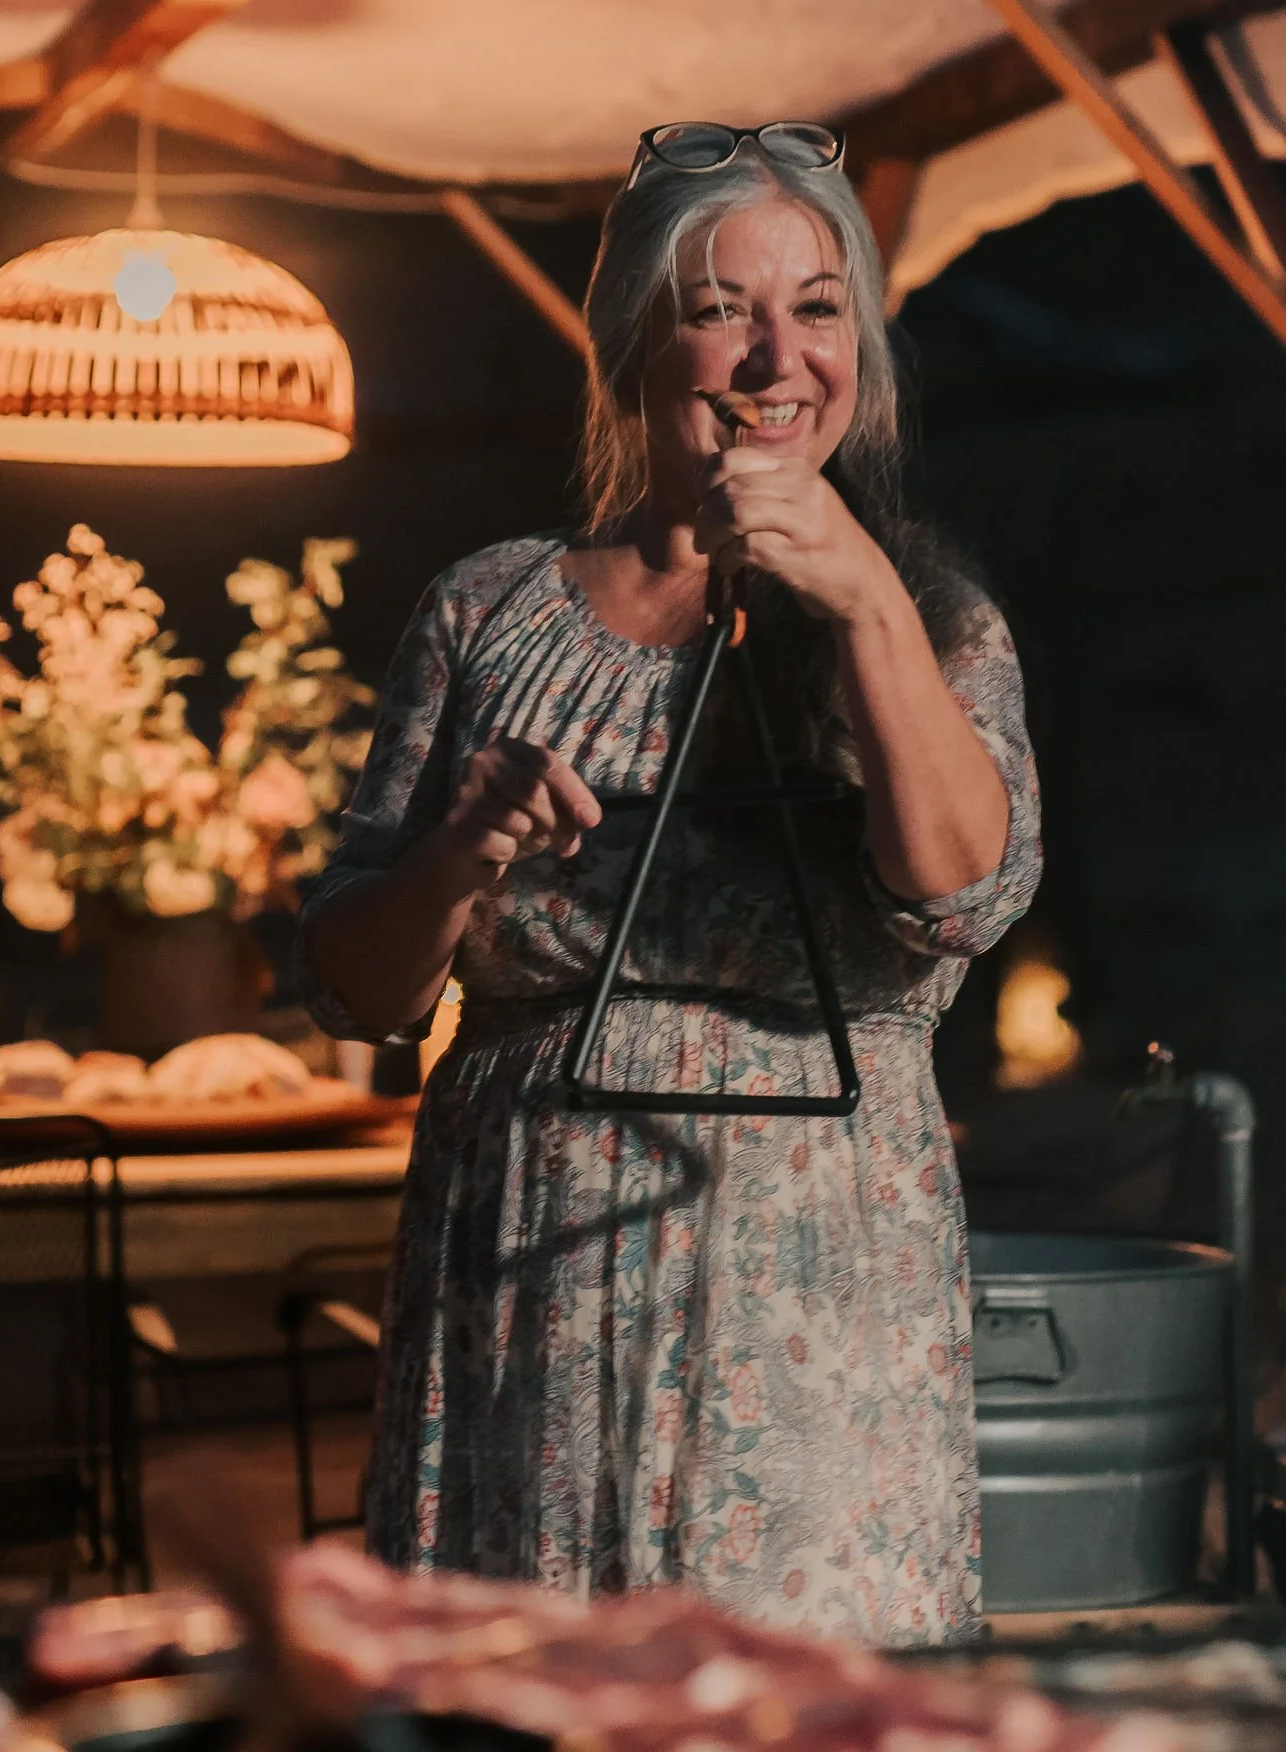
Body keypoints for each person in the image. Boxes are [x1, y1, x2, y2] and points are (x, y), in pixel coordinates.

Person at [300, 121, 1041, 1647]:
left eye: (818, 307)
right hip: (529, 1270)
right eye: (719, 308)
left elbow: (959, 891)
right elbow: (356, 991)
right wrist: (457, 852)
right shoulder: (487, 609)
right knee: (528, 1693)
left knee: (797, 1698)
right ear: (634, 342)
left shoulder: (932, 613)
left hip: (813, 1265)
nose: (777, 356)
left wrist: (861, 607)